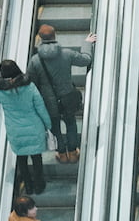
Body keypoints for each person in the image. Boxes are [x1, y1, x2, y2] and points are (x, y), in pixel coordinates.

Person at [27, 24, 94, 164]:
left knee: (55, 127)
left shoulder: (35, 60)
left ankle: (62, 154)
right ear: (54, 35)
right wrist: (86, 43)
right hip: (67, 96)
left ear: (40, 38)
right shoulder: (66, 54)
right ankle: (73, 152)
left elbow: (32, 83)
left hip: (48, 101)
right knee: (70, 123)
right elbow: (86, 59)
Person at [0, 60, 52, 195]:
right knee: (36, 158)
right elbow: (40, 107)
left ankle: (28, 186)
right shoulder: (29, 87)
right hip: (34, 127)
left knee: (21, 159)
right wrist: (48, 124)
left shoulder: (1, 91)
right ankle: (39, 185)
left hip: (15, 131)